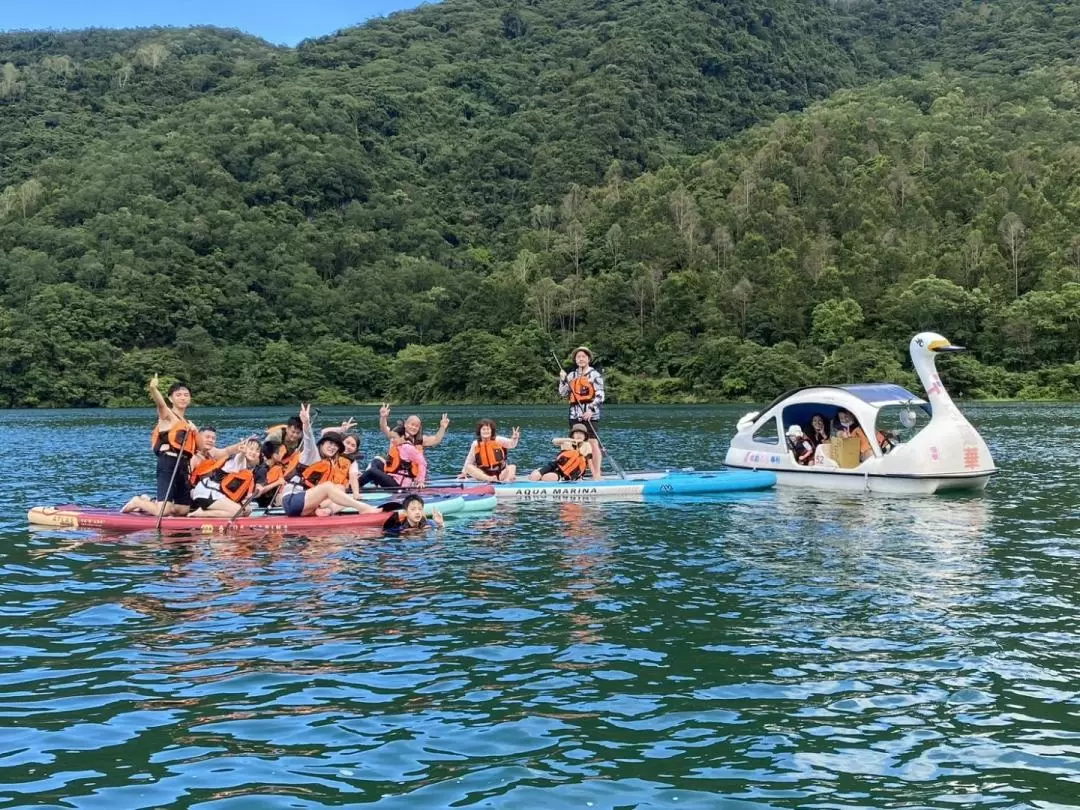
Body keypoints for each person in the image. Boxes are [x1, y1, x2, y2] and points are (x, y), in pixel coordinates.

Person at [122, 375, 207, 516]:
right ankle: (137, 502)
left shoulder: (188, 423)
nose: (183, 398)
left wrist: (195, 430)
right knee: (164, 511)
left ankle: (149, 503)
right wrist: (153, 388)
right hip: (168, 462)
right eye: (178, 395)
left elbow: (201, 448)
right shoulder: (167, 415)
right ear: (171, 398)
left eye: (186, 395)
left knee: (182, 510)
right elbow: (160, 404)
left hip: (182, 466)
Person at [278, 404, 380, 517]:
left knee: (340, 489)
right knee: (328, 486)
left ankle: (326, 511)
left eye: (336, 446)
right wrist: (306, 424)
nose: (333, 448)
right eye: (330, 443)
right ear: (322, 444)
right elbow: (308, 438)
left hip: (307, 502)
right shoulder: (311, 453)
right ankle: (363, 508)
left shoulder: (330, 460)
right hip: (292, 500)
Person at [558, 346, 605, 479]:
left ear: (588, 359)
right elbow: (563, 393)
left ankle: (597, 474)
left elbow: (600, 395)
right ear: (575, 359)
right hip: (575, 414)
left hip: (590, 413)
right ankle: (577, 472)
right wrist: (562, 379)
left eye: (583, 356)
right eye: (578, 357)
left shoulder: (595, 374)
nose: (581, 359)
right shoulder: (571, 375)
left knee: (592, 443)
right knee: (576, 443)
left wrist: (591, 409)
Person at [188, 439, 262, 518]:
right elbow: (240, 458)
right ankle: (201, 513)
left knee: (247, 510)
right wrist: (242, 453)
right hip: (207, 493)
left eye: (257, 451)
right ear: (245, 449)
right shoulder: (239, 459)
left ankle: (211, 514)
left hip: (217, 494)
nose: (254, 452)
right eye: (251, 449)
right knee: (238, 512)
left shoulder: (248, 466)